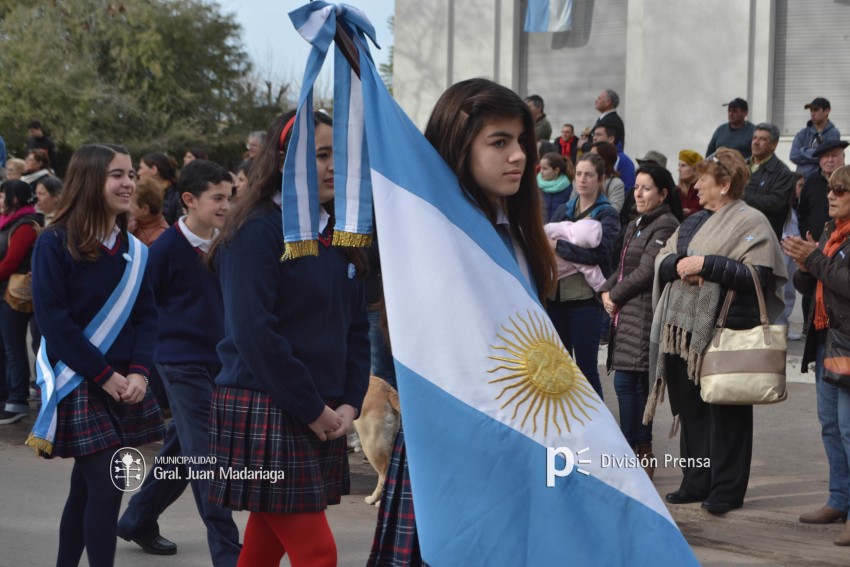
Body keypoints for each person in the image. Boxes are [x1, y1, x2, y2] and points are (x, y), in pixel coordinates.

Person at [369, 78, 556, 567]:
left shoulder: (517, 233)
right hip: (451, 440)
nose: (518, 156)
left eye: (522, 142)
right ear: (457, 145)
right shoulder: (435, 240)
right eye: (499, 142)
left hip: (515, 439)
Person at [209, 109, 370, 567]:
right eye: (321, 155)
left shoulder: (340, 233)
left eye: (340, 155)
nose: (334, 167)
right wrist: (311, 407)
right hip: (265, 405)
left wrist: (349, 402)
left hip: (319, 408)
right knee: (317, 553)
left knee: (263, 543)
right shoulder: (257, 230)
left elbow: (357, 328)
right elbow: (254, 333)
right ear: (285, 161)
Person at [27, 143, 164, 566]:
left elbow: (147, 319)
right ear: (90, 181)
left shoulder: (135, 250)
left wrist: (140, 373)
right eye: (116, 175)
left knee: (87, 489)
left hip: (125, 385)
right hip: (80, 381)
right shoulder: (54, 243)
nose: (128, 183)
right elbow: (55, 323)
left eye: (130, 174)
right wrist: (104, 374)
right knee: (109, 483)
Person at [650, 147, 786, 515]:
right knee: (692, 410)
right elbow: (662, 259)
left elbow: (758, 276)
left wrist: (707, 265)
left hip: (727, 330)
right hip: (685, 332)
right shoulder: (693, 221)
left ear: (725, 184)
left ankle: (727, 490)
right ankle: (695, 480)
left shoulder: (752, 222)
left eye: (703, 181)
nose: (696, 187)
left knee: (727, 412)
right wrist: (680, 264)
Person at [118, 159, 240, 565]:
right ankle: (228, 553)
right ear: (189, 200)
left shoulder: (230, 242)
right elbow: (143, 309)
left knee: (184, 449)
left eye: (229, 197)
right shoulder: (165, 249)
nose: (225, 205)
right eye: (217, 198)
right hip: (178, 363)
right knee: (207, 455)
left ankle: (137, 517)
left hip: (220, 363)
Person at [599, 163, 682, 479]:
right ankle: (633, 452)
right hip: (627, 315)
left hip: (646, 314)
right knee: (627, 385)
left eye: (647, 188)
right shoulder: (636, 224)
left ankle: (639, 452)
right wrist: (606, 290)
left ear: (662, 193)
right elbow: (622, 266)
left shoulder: (665, 225)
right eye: (637, 187)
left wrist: (615, 295)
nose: (639, 193)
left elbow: (647, 271)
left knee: (632, 385)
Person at [782, 165, 850, 546]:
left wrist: (817, 261)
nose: (831, 195)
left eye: (840, 189)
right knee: (829, 426)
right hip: (826, 339)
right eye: (830, 189)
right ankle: (839, 500)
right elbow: (811, 284)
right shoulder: (830, 230)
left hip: (847, 343)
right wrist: (804, 262)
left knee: (848, 430)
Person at [547, 152, 619, 399]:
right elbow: (545, 244)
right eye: (579, 174)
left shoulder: (607, 214)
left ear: (600, 179)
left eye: (589, 175)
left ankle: (598, 430)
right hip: (555, 299)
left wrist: (559, 247)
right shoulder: (562, 210)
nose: (582, 179)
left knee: (587, 369)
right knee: (559, 367)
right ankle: (566, 427)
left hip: (586, 302)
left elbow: (600, 254)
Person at [0, 180, 42, 425]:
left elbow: (10, 262)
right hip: (8, 293)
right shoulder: (10, 223)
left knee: (15, 349)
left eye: (3, 195)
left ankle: (17, 400)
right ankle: (8, 394)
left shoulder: (25, 225)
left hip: (17, 295)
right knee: (8, 348)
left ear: (15, 198)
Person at [797, 140, 848, 326]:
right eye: (825, 156)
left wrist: (814, 258)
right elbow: (802, 212)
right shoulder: (811, 181)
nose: (830, 196)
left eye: (839, 190)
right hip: (824, 332)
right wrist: (804, 267)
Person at [743, 123, 796, 240]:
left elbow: (775, 204)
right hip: (738, 231)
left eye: (762, 139)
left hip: (763, 236)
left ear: (773, 145)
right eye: (754, 138)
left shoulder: (783, 173)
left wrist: (741, 196)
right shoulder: (740, 166)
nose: (756, 142)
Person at [790, 97, 841, 177]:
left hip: (820, 179)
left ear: (827, 111)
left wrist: (803, 150)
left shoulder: (833, 133)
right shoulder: (803, 133)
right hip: (801, 179)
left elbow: (826, 157)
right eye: (811, 110)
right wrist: (816, 154)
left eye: (816, 110)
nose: (812, 113)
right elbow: (793, 156)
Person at [138, 153, 181, 225]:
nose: (138, 173)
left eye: (141, 168)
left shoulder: (176, 196)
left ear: (154, 170)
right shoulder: (142, 194)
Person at [591, 124, 635, 191]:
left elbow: (628, 189)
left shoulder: (624, 160)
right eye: (594, 135)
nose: (594, 138)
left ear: (611, 139)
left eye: (598, 135)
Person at [128, 177, 169, 246]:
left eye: (132, 206)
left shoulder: (157, 240)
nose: (128, 208)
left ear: (145, 209)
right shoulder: (137, 224)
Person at [589, 141, 625, 212]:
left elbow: (613, 211)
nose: (589, 159)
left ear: (605, 159)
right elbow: (572, 205)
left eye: (594, 156)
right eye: (589, 155)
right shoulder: (582, 178)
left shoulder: (616, 184)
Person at [538, 151, 573, 221]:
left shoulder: (569, 188)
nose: (541, 171)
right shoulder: (537, 185)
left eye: (545, 168)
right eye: (540, 167)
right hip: (539, 228)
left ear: (556, 170)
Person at [677, 150, 704, 217]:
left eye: (683, 165)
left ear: (694, 169)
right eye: (679, 165)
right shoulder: (677, 190)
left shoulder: (703, 189)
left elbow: (711, 213)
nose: (678, 169)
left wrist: (691, 212)